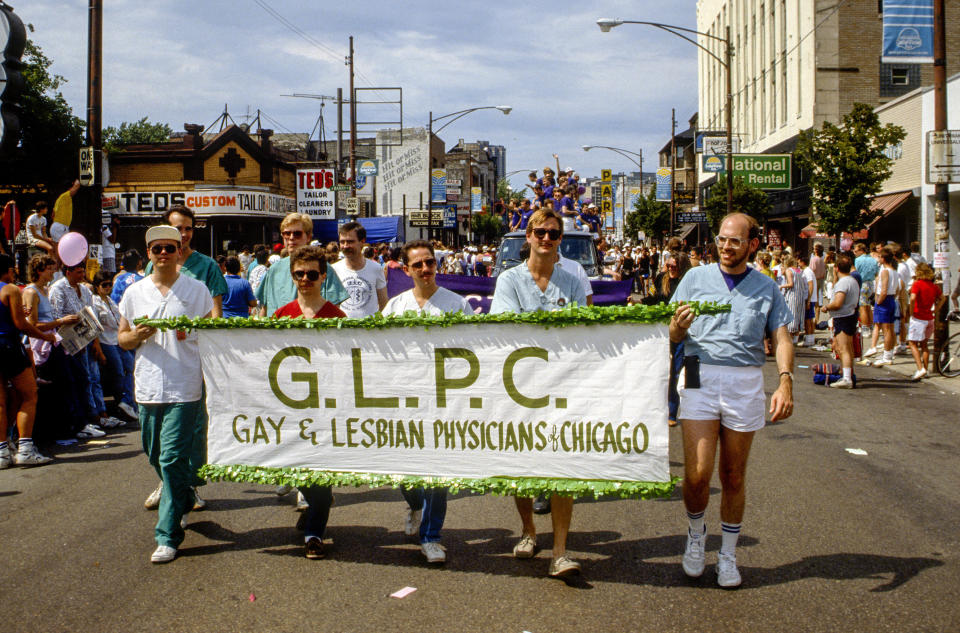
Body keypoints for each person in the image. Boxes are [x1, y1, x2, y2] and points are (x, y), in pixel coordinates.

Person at [671, 212, 794, 588]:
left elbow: (783, 337)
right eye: (722, 240)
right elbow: (671, 332)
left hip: (744, 377)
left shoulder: (766, 287)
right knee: (697, 474)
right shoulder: (695, 278)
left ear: (752, 245)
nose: (725, 247)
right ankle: (696, 537)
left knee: (733, 475)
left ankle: (727, 553)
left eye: (735, 241)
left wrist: (785, 381)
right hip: (696, 368)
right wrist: (677, 327)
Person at [489, 208, 587, 579]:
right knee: (523, 468)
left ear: (560, 239)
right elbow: (508, 327)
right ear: (527, 236)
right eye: (539, 232)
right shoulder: (509, 281)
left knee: (563, 468)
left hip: (563, 387)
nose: (546, 239)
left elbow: (582, 331)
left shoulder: (573, 281)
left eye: (553, 233)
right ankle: (529, 532)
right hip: (521, 388)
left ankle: (560, 551)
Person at [118, 225, 214, 564]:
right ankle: (184, 493)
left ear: (179, 251)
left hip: (184, 384)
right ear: (148, 253)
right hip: (146, 387)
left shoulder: (196, 290)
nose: (163, 254)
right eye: (157, 248)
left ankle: (168, 534)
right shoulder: (135, 293)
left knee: (172, 457)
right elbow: (123, 339)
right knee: (155, 454)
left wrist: (194, 335)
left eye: (169, 248)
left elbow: (210, 334)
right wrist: (137, 335)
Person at [382, 239, 472, 564]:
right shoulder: (394, 307)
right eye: (418, 264)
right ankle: (415, 504)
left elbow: (472, 350)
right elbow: (382, 353)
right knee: (403, 472)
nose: (425, 269)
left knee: (437, 472)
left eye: (430, 263)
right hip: (403, 402)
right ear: (405, 270)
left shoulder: (457, 305)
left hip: (443, 401)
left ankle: (431, 537)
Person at [141, 205, 227, 512]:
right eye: (178, 228)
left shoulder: (206, 266)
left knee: (192, 425)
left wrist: (197, 334)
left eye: (188, 228)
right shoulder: (156, 263)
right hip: (157, 359)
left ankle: (187, 483)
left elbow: (214, 316)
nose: (184, 234)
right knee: (155, 428)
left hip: (193, 358)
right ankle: (168, 480)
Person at [272, 246, 347, 559]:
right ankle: (315, 510)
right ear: (292, 276)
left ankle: (315, 533)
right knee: (301, 471)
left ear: (323, 276)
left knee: (320, 474)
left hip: (325, 408)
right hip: (291, 409)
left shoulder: (337, 316)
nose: (305, 279)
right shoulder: (281, 316)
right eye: (299, 274)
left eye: (312, 274)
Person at [0, 254, 57, 468]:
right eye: (13, 269)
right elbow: (21, 324)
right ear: (7, 269)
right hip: (8, 346)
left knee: (1, 401)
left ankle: (2, 452)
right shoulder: (11, 289)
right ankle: (25, 447)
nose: (15, 271)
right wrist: (46, 336)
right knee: (29, 394)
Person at [256, 213, 348, 316]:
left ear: (308, 237)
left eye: (297, 234)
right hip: (279, 330)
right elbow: (264, 308)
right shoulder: (274, 269)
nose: (291, 237)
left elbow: (333, 310)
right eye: (287, 233)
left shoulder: (324, 268)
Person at [91, 270, 137, 421]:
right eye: (104, 285)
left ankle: (127, 401)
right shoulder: (94, 302)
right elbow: (95, 328)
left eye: (110, 284)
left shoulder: (110, 301)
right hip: (106, 341)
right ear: (97, 286)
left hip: (117, 339)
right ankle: (121, 402)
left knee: (130, 367)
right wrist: (99, 349)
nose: (108, 287)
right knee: (118, 371)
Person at [331, 222, 388, 318]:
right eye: (342, 242)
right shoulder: (333, 269)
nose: (345, 246)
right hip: (343, 330)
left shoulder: (376, 268)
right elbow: (332, 305)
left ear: (362, 241)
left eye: (350, 242)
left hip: (370, 329)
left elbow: (384, 304)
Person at [823, 254, 859, 389]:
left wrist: (826, 307)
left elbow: (838, 303)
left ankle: (847, 378)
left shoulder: (843, 283)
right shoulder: (853, 281)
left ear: (837, 268)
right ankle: (848, 374)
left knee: (843, 349)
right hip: (850, 315)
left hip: (842, 317)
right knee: (847, 348)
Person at [906, 263, 944, 380]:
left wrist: (911, 311)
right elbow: (943, 298)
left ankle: (920, 368)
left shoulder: (917, 284)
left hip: (918, 318)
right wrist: (936, 310)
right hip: (929, 318)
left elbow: (912, 298)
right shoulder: (933, 286)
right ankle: (925, 370)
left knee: (912, 343)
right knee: (924, 345)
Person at [867, 247, 899, 367]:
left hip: (884, 300)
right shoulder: (894, 271)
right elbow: (897, 289)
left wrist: (878, 302)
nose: (878, 259)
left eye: (880, 257)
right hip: (891, 300)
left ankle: (886, 356)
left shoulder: (885, 271)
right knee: (890, 328)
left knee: (886, 330)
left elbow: (884, 290)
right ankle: (888, 353)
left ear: (884, 258)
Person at [853, 242, 878, 339]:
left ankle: (865, 328)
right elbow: (876, 272)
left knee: (862, 307)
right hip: (871, 284)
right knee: (868, 307)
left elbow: (856, 272)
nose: (854, 253)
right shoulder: (873, 260)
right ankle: (871, 326)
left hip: (862, 283)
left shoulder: (858, 260)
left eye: (856, 251)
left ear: (861, 250)